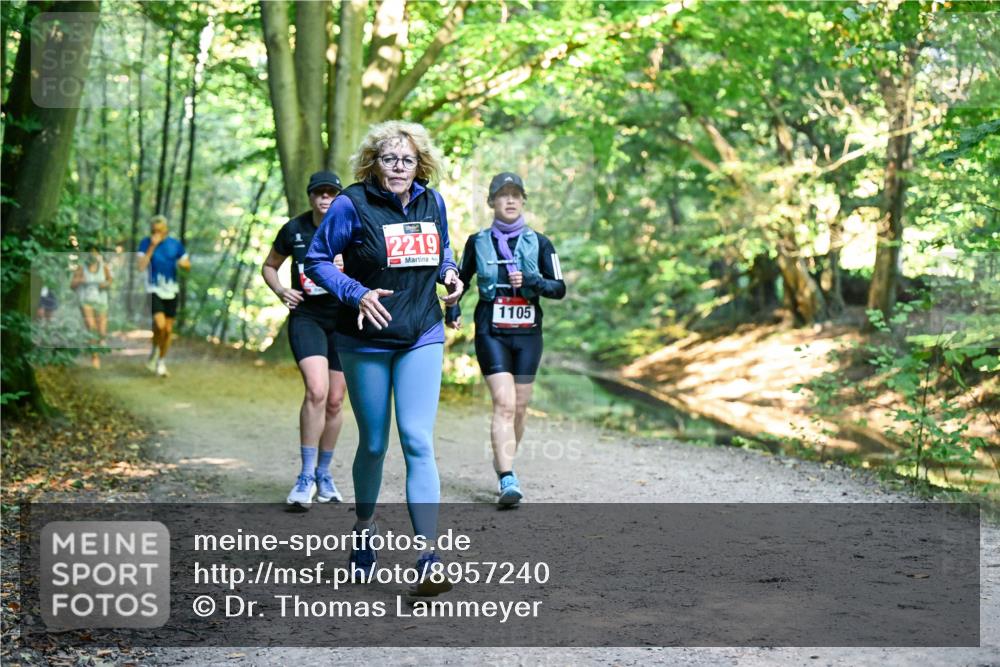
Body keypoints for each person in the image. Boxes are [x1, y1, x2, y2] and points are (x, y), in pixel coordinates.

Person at [305, 121, 463, 594]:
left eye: (408, 160)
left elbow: (444, 250)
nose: (399, 167)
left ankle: (429, 557)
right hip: (367, 336)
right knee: (374, 443)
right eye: (390, 159)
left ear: (421, 164)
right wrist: (354, 292)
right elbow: (316, 259)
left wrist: (451, 275)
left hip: (421, 330)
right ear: (374, 163)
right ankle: (363, 532)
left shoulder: (432, 201)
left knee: (417, 439)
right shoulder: (351, 203)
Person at [446, 172, 566, 506]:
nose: (510, 201)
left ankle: (505, 459)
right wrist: (452, 310)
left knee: (521, 407)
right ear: (492, 202)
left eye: (515, 195)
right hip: (491, 330)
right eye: (503, 195)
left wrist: (533, 280)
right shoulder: (477, 241)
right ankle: (506, 476)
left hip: (528, 334)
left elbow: (559, 288)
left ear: (523, 201)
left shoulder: (541, 243)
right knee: (504, 403)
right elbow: (461, 279)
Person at [262, 171, 348, 508]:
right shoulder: (294, 229)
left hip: (343, 320)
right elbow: (269, 266)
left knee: (336, 400)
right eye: (319, 193)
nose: (325, 198)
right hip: (308, 317)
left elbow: (373, 269)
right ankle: (306, 475)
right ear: (310, 197)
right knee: (316, 390)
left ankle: (324, 475)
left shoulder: (350, 228)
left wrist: (348, 267)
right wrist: (283, 291)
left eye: (331, 193)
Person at [137, 215, 190, 377]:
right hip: (153, 289)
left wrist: (184, 264)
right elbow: (140, 267)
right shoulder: (145, 243)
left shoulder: (175, 245)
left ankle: (160, 360)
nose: (156, 233)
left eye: (159, 230)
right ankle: (154, 350)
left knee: (167, 330)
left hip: (171, 290)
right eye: (154, 230)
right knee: (159, 326)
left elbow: (187, 265)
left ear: (165, 229)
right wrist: (152, 246)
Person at [71, 247, 113, 369]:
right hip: (86, 302)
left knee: (101, 332)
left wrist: (105, 284)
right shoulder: (80, 268)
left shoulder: (103, 267)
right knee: (91, 328)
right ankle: (95, 357)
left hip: (101, 301)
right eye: (90, 253)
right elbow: (72, 285)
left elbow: (110, 280)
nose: (92, 255)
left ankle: (99, 343)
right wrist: (79, 280)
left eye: (95, 253)